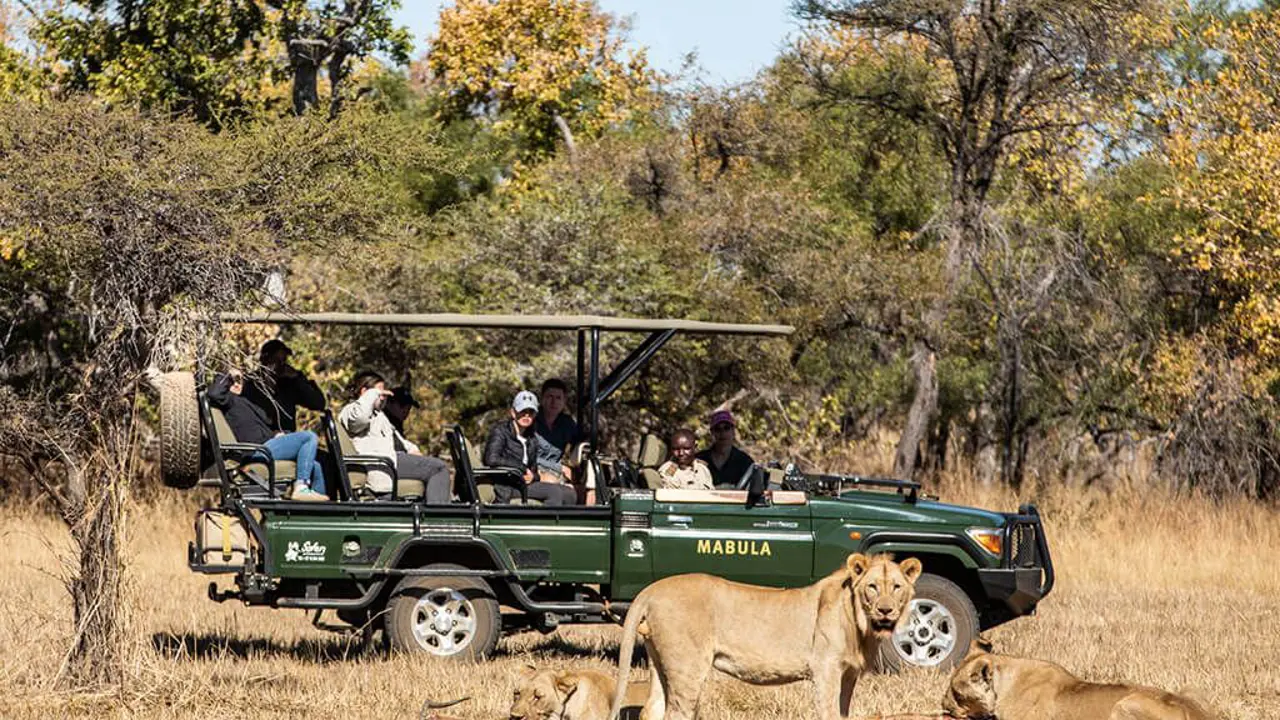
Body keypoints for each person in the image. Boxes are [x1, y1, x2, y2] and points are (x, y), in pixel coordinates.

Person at [207, 370, 327, 501]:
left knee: (315, 465)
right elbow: (214, 393)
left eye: (239, 381)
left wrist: (276, 435)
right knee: (309, 437)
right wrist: (228, 374)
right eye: (232, 382)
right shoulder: (228, 401)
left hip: (266, 445)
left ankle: (317, 509)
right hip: (255, 451)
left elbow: (318, 403)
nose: (236, 384)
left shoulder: (249, 402)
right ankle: (301, 487)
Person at [338, 371, 453, 504]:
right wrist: (371, 395)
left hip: (388, 460)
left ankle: (435, 508)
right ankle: (436, 515)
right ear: (364, 392)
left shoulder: (378, 415)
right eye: (379, 393)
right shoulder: (351, 411)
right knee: (438, 468)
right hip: (379, 464)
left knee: (437, 467)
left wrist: (411, 449)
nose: (383, 397)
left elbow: (394, 436)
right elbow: (360, 420)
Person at [484, 391, 577, 506]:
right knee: (554, 492)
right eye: (522, 411)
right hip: (507, 485)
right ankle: (548, 518)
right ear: (513, 413)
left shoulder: (532, 438)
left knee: (569, 493)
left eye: (530, 412)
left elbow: (534, 470)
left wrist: (533, 476)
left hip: (525, 484)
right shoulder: (501, 431)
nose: (526, 415)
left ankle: (565, 518)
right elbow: (491, 459)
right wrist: (520, 468)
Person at [241, 338, 327, 433]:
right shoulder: (251, 384)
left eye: (284, 361)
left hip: (286, 436)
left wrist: (298, 378)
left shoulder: (289, 384)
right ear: (265, 360)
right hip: (260, 436)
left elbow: (318, 403)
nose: (280, 366)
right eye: (277, 361)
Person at [534, 378, 583, 495]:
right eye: (550, 397)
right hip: (534, 470)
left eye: (558, 398)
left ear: (564, 401)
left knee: (584, 490)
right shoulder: (531, 421)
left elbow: (579, 443)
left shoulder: (567, 423)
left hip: (557, 472)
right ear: (542, 399)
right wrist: (559, 468)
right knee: (556, 487)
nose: (554, 402)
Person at [696, 409, 756, 488]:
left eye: (726, 428)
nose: (722, 433)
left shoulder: (745, 461)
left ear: (733, 431)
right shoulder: (699, 459)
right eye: (717, 429)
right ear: (712, 432)